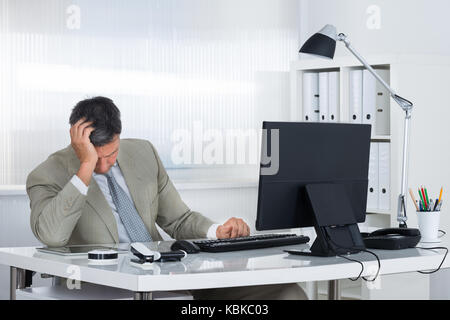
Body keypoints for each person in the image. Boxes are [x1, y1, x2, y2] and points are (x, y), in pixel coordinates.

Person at [26, 96, 307, 300]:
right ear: (78, 142)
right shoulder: (46, 175)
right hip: (107, 286)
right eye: (93, 158)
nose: (104, 165)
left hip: (168, 272)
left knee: (288, 293)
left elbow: (178, 219)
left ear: (119, 137)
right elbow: (52, 236)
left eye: (110, 155)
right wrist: (84, 168)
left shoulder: (143, 153)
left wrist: (216, 231)